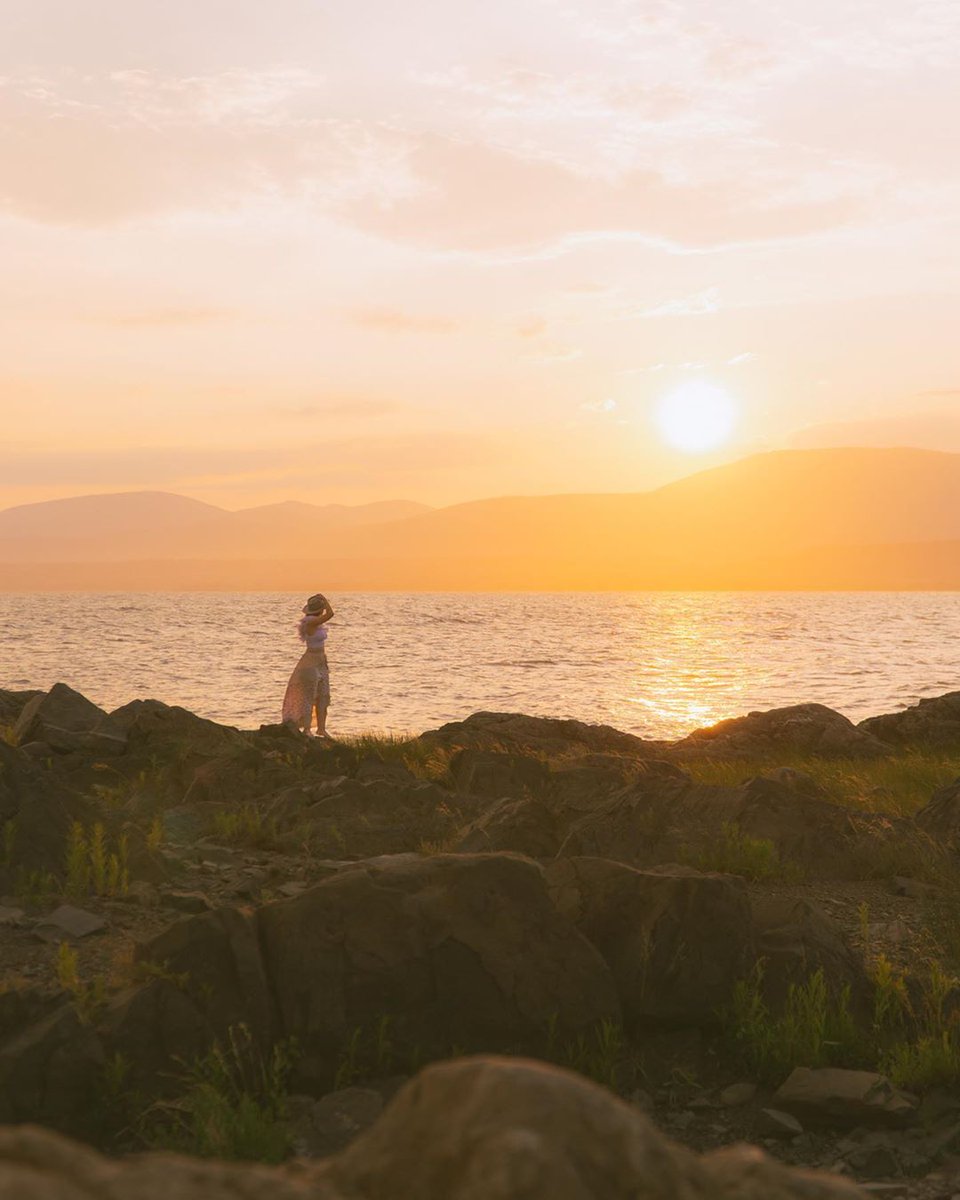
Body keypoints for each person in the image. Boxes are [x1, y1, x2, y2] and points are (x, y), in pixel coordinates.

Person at [281, 593, 335, 736]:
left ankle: (321, 729)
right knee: (309, 695)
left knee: (323, 695)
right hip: (310, 661)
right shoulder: (310, 621)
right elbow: (331, 614)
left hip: (321, 660)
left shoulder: (316, 621)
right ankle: (306, 729)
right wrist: (325, 599)